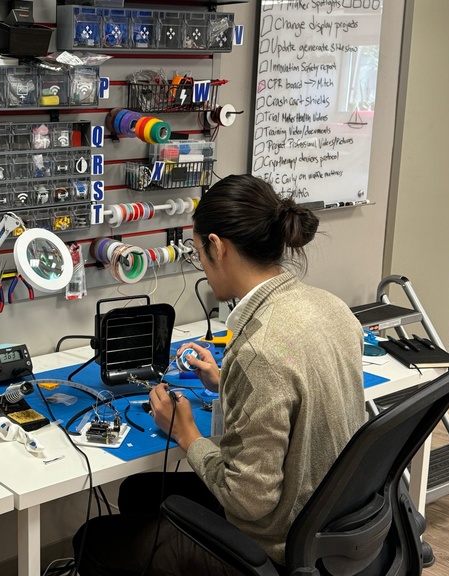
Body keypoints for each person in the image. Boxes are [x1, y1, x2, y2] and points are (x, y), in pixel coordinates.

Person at [73, 174, 366, 575]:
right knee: (138, 491)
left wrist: (186, 433)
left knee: (94, 540)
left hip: (275, 544)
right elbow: (292, 386)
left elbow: (249, 501)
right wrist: (228, 378)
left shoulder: (259, 354)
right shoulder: (330, 307)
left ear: (217, 247)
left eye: (197, 254)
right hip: (330, 523)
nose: (203, 269)